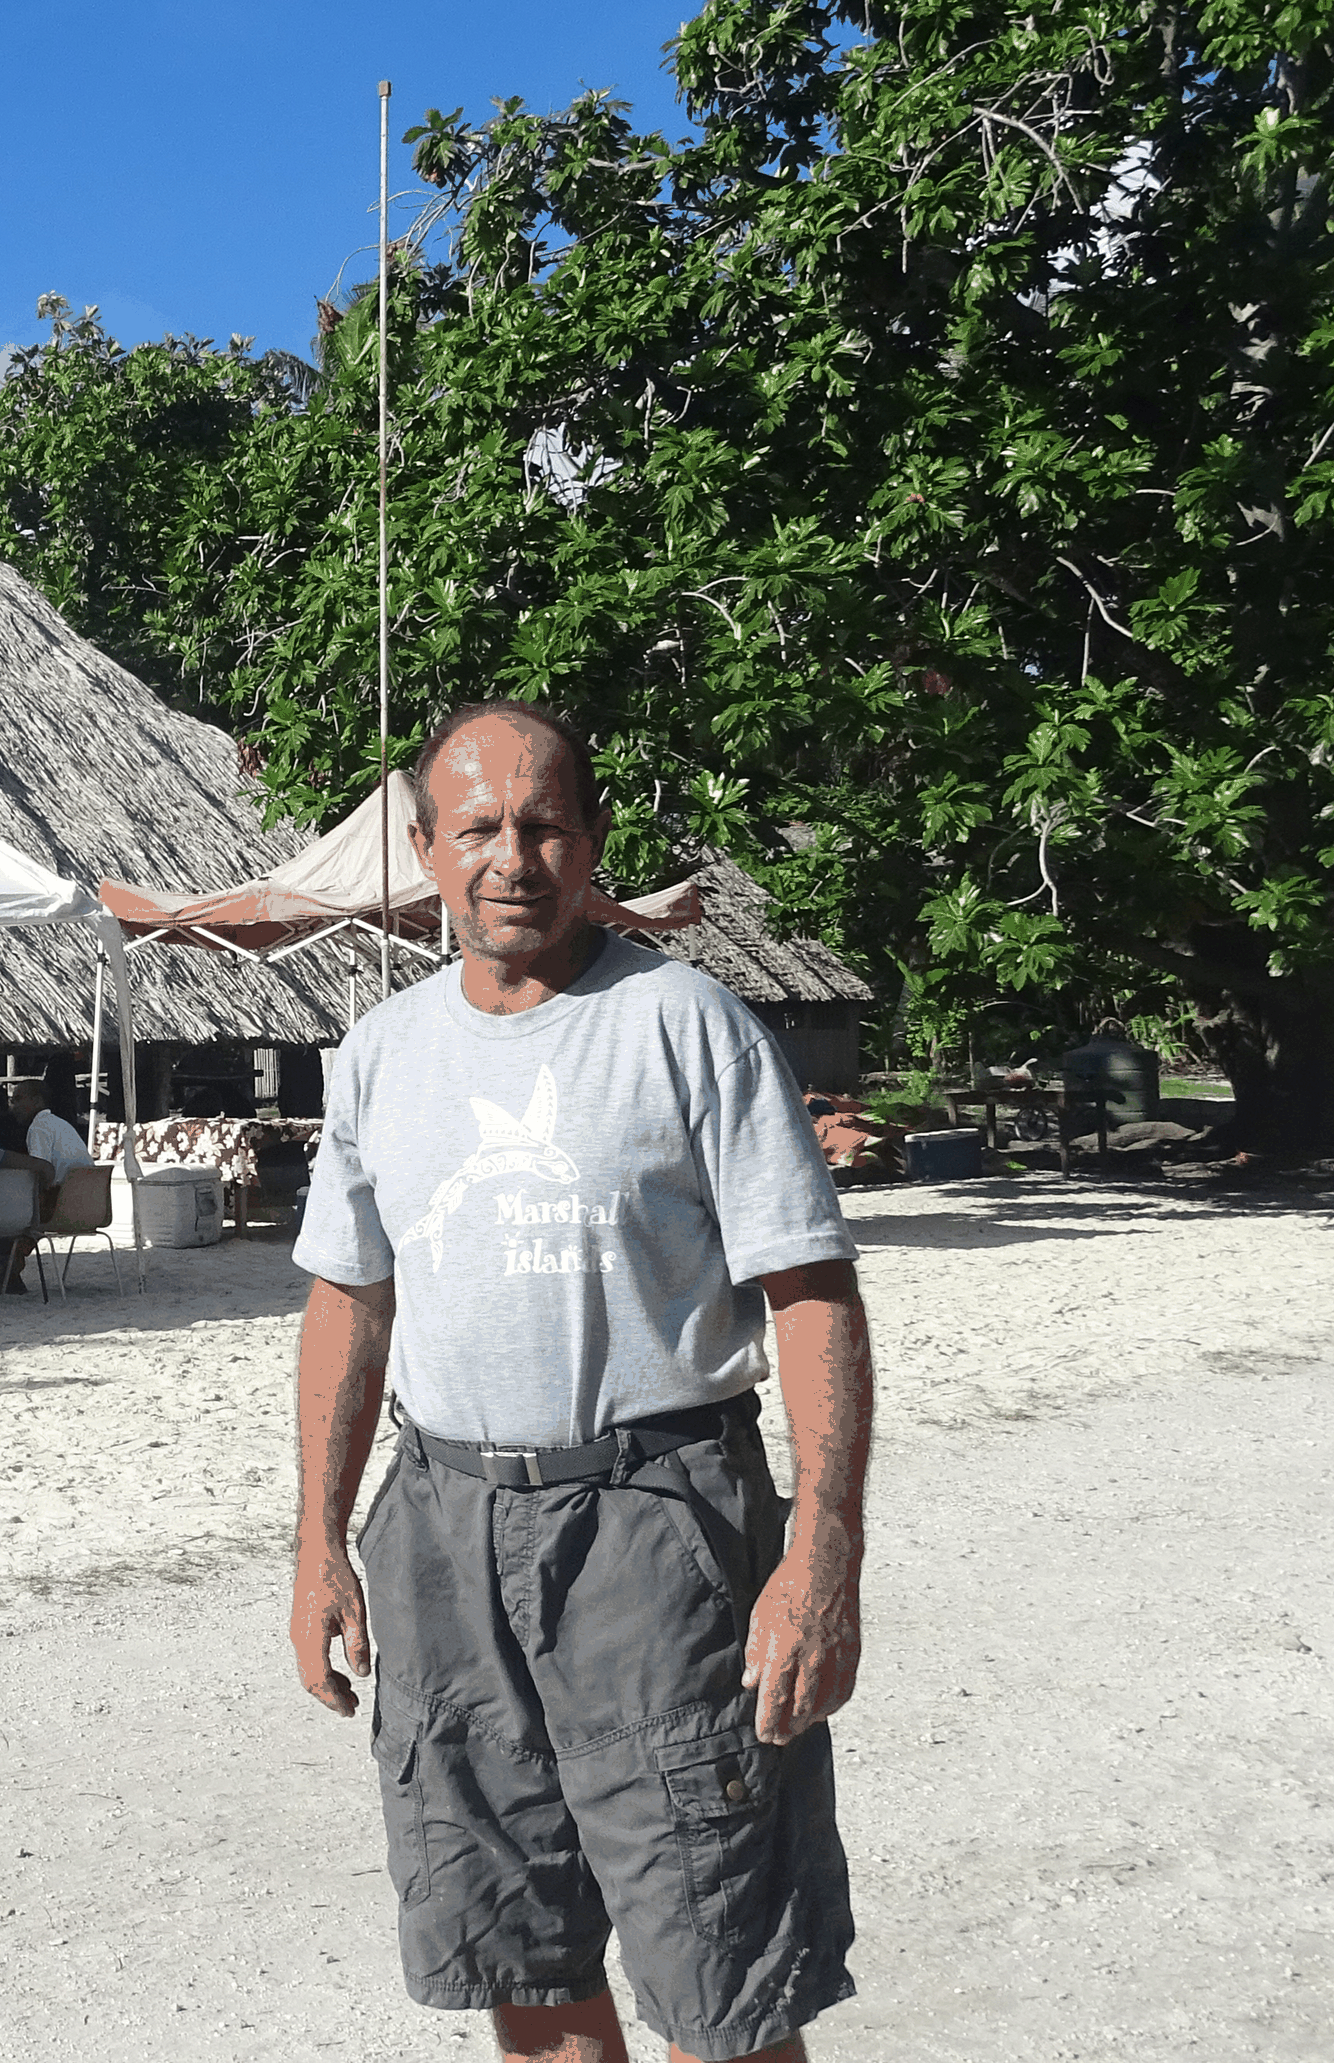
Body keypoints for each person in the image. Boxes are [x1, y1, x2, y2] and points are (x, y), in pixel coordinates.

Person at [286, 701, 871, 2063]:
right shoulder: (383, 1055)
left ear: (591, 843)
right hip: (441, 1526)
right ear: (426, 850)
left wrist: (823, 1546)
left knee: (720, 1967)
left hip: (659, 1526)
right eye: (479, 827)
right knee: (516, 1942)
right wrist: (320, 1540)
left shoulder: (688, 1025)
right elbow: (348, 1301)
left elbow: (811, 1292)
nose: (514, 856)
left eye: (545, 825)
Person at [0, 1077, 93, 1293]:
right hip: (90, 1205)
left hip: (62, 1205)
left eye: (17, 1099)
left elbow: (39, 1171)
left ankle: (10, 1265)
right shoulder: (61, 1125)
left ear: (36, 1100)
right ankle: (11, 1270)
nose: (12, 1106)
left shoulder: (40, 1128)